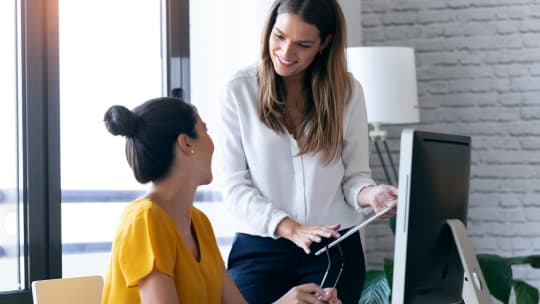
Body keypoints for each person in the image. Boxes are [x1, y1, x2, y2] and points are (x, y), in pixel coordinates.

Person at [216, 0, 398, 303]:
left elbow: (354, 177)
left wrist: (371, 194)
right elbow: (233, 185)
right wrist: (290, 228)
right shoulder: (239, 90)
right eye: (279, 36)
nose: (286, 53)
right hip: (260, 246)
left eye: (302, 44)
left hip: (330, 247)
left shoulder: (348, 93)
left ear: (324, 43)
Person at [101, 97, 341, 304]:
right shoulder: (144, 220)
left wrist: (293, 300)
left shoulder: (198, 222)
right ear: (186, 144)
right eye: (205, 130)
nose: (212, 143)